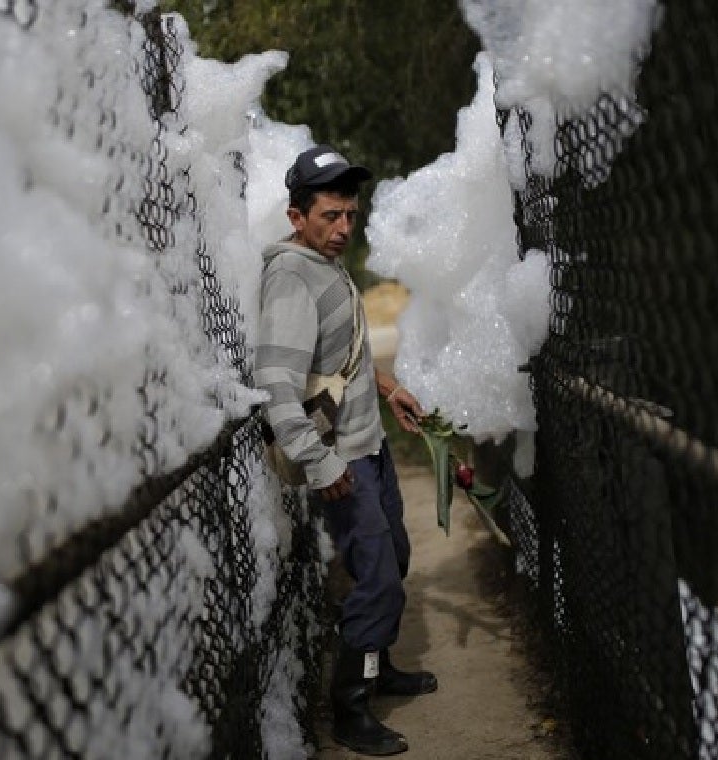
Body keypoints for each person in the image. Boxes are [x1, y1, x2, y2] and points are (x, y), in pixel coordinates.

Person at [253, 145, 436, 756]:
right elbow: (278, 387)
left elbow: (338, 357)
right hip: (343, 459)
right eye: (330, 216)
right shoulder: (290, 277)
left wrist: (387, 388)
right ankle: (351, 712)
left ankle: (376, 668)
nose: (343, 228)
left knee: (394, 557)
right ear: (296, 216)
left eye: (350, 216)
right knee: (378, 578)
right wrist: (320, 460)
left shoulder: (327, 266)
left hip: (370, 445)